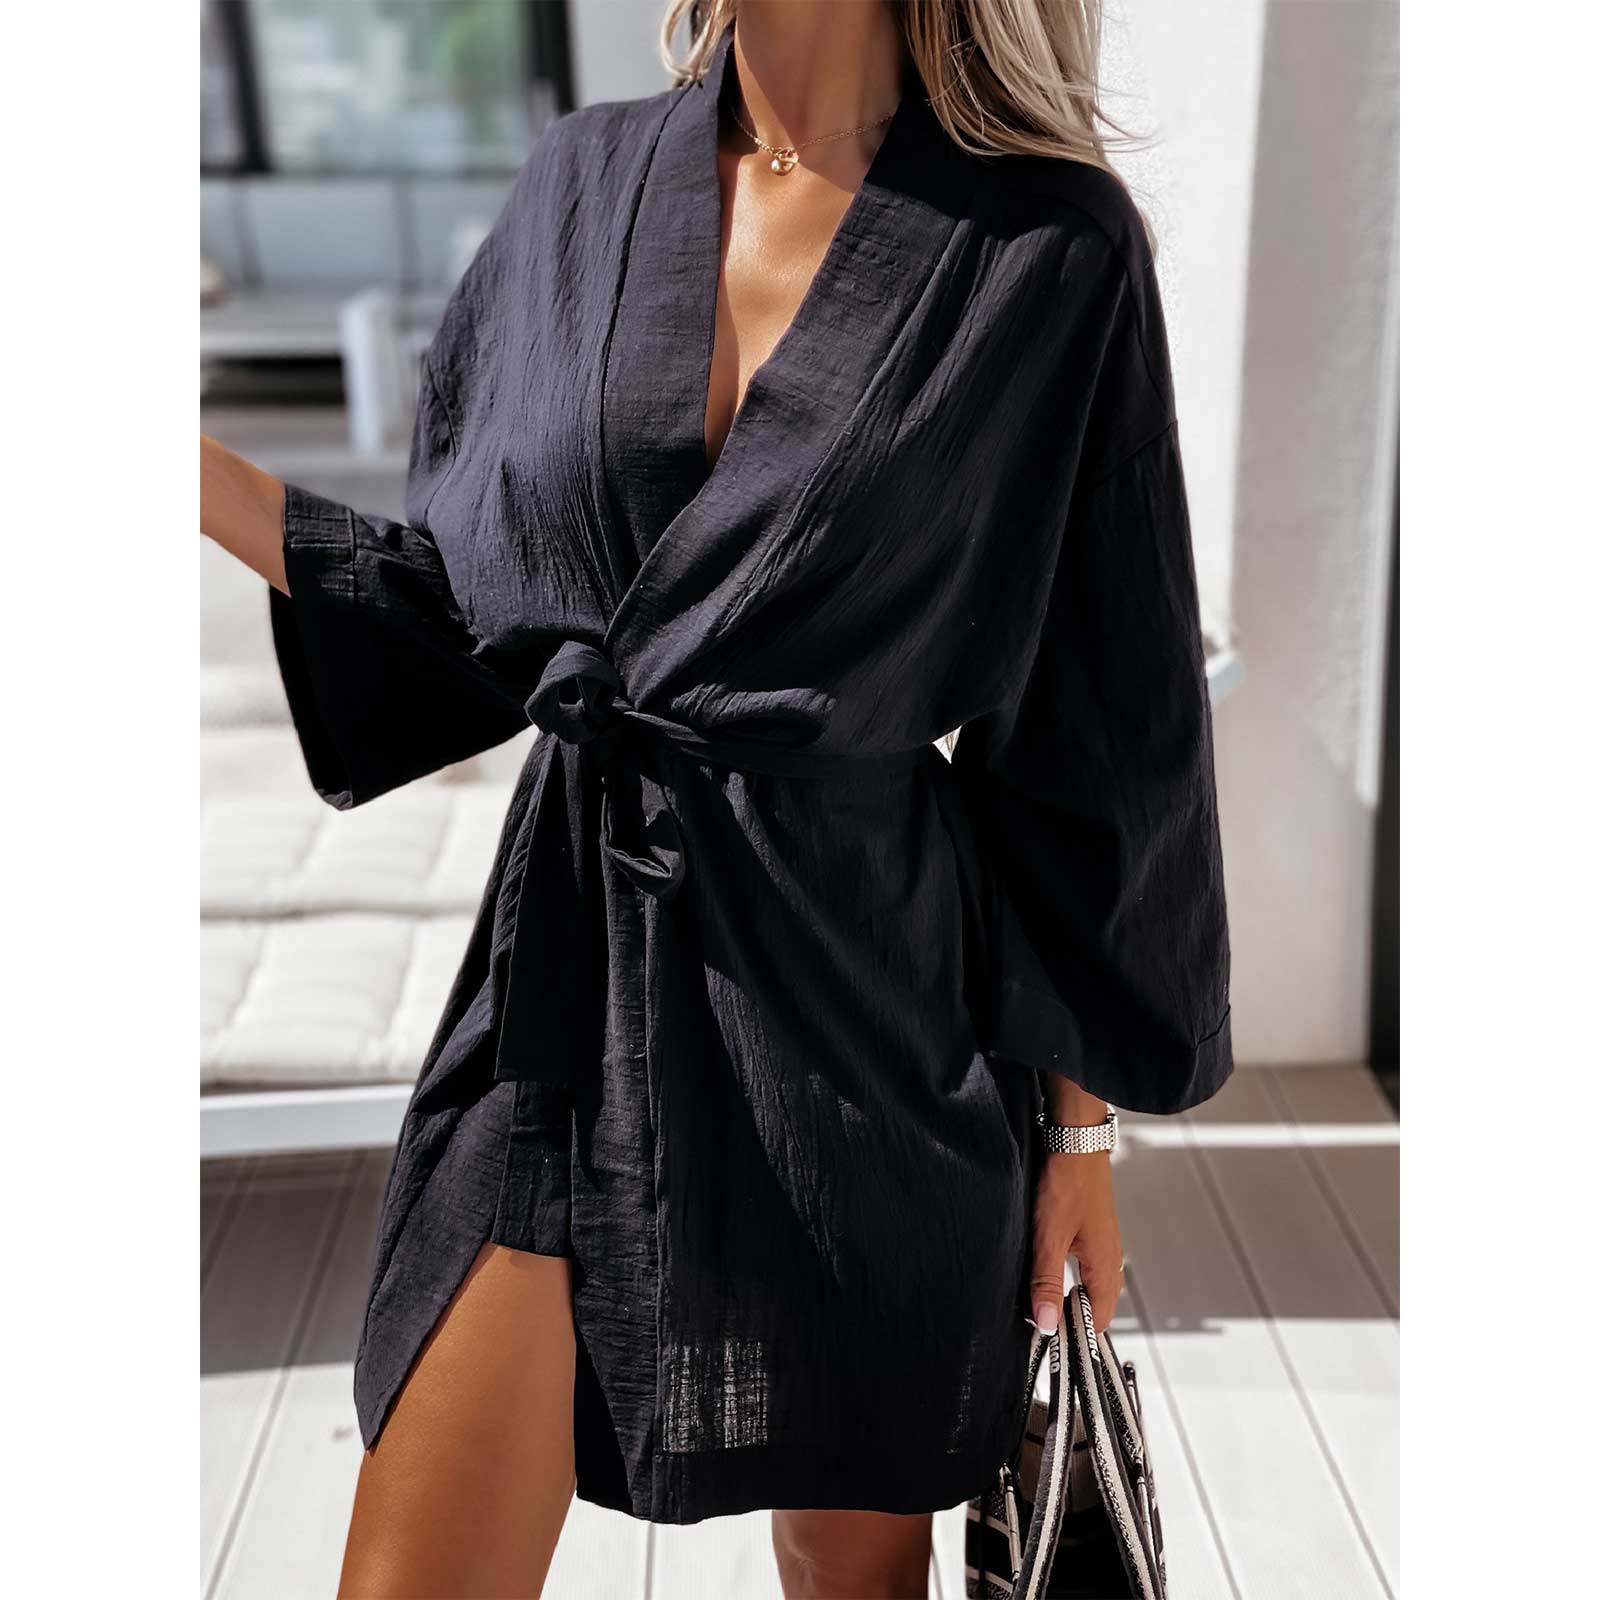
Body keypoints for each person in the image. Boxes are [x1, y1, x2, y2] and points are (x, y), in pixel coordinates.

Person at [200, 1, 1232, 1594]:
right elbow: (478, 606)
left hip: (867, 1022)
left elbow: (1101, 728)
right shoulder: (581, 181)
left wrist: (1080, 1143)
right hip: (565, 983)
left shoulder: (1049, 246)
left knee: (850, 1576)